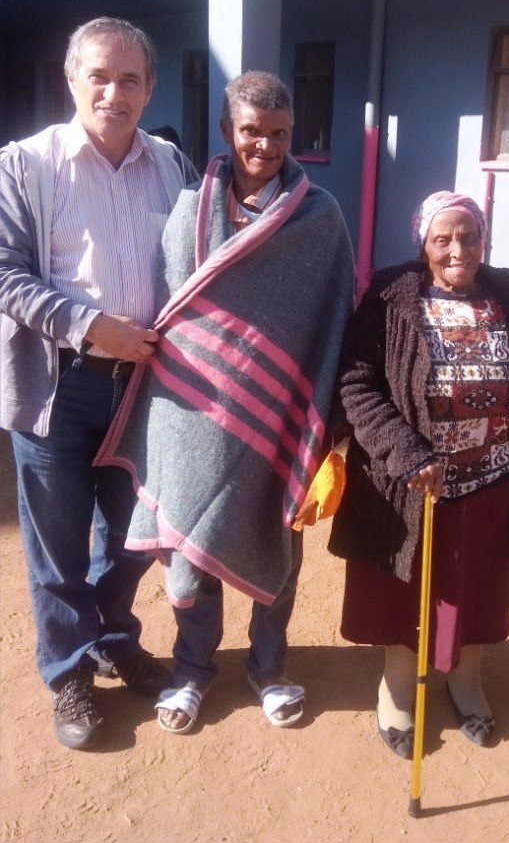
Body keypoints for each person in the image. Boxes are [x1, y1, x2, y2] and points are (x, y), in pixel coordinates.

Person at [96, 71, 354, 734]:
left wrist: (324, 418)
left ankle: (269, 669)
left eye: (278, 133)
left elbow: (332, 317)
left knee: (277, 535)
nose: (264, 146)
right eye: (251, 131)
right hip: (193, 408)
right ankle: (192, 670)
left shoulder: (319, 218)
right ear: (226, 131)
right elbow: (178, 309)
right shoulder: (191, 207)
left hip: (280, 410)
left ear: (291, 133)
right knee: (191, 537)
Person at [0, 17, 198, 750]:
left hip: (148, 388)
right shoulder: (26, 164)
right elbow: (3, 271)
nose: (114, 93)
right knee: (55, 545)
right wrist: (89, 327)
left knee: (133, 536)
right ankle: (70, 673)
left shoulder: (172, 165)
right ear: (72, 80)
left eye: (131, 79)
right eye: (99, 77)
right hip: (58, 386)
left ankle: (114, 638)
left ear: (150, 88)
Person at [328, 190, 509, 758]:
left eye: (470, 236)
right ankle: (400, 690)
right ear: (423, 245)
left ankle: (466, 680)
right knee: (402, 590)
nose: (459, 248)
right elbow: (357, 383)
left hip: (497, 477)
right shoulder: (390, 296)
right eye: (443, 239)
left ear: (484, 240)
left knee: (481, 585)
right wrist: (408, 454)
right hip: (414, 482)